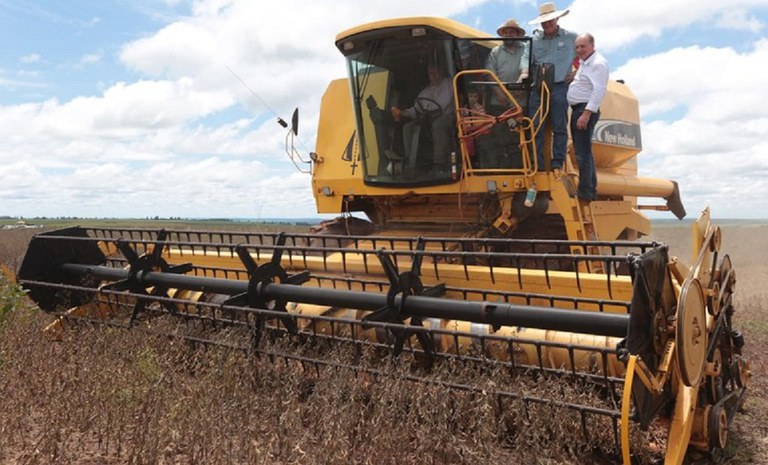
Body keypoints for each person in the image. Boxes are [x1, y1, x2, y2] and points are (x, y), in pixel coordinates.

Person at [528, 2, 577, 172]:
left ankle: (557, 162)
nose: (547, 24)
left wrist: (577, 72)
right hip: (539, 86)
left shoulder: (571, 38)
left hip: (560, 86)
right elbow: (526, 62)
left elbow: (588, 56)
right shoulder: (534, 41)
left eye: (550, 20)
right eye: (544, 21)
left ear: (557, 18)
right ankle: (537, 164)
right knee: (534, 125)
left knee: (559, 126)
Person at [567, 33, 609, 202]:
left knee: (582, 153)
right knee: (585, 152)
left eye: (583, 46)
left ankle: (585, 191)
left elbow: (599, 90)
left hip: (584, 110)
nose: (579, 50)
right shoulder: (586, 63)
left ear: (592, 45)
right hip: (579, 108)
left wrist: (586, 114)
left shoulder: (598, 64)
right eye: (577, 47)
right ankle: (590, 188)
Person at [391, 64, 455, 173]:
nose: (434, 76)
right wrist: (401, 112)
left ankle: (439, 163)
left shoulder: (450, 84)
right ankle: (411, 162)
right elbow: (414, 111)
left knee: (439, 124)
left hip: (449, 117)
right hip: (429, 119)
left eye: (436, 73)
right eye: (431, 74)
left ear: (442, 72)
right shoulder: (424, 92)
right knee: (408, 127)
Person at [486, 18, 530, 109]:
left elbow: (532, 70)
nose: (508, 34)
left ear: (518, 35)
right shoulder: (495, 52)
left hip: (520, 102)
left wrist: (523, 88)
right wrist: (499, 94)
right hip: (499, 102)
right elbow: (490, 74)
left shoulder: (527, 49)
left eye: (512, 32)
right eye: (506, 32)